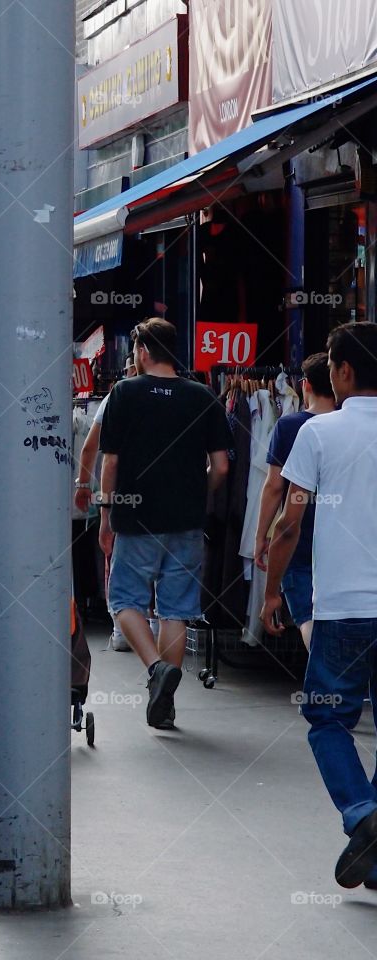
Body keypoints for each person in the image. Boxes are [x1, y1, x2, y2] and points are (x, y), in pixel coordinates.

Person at [260, 322, 377, 890]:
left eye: (331, 364)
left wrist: (271, 589)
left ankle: (362, 813)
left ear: (345, 372)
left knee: (327, 718)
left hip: (342, 610)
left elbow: (289, 524)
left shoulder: (319, 432)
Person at [98, 318, 231, 729]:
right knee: (176, 608)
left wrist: (105, 513)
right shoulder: (203, 396)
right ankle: (165, 703)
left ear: (141, 351)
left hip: (136, 517)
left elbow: (112, 461)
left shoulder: (125, 392)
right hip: (186, 519)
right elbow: (222, 466)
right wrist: (198, 491)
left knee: (124, 600)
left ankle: (157, 670)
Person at [254, 352, 336, 651]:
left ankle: (326, 676)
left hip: (298, 537)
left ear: (305, 386)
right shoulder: (351, 426)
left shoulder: (289, 427)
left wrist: (261, 536)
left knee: (307, 616)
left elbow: (274, 486)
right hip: (342, 537)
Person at [74, 355, 138, 652]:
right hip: (169, 497)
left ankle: (123, 631)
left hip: (123, 493)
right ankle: (157, 633)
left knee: (120, 560)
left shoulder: (119, 395)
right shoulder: (186, 392)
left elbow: (93, 449)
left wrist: (85, 486)